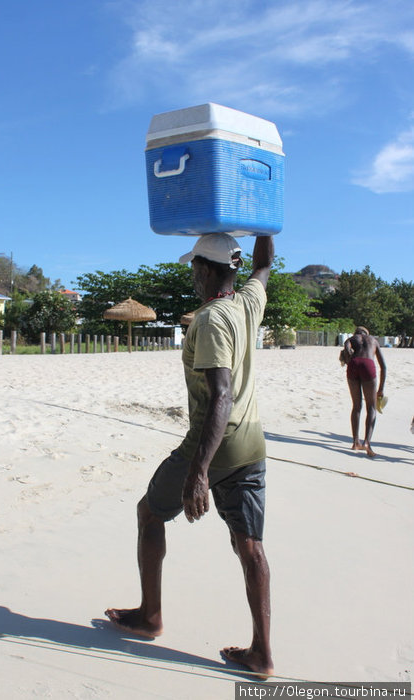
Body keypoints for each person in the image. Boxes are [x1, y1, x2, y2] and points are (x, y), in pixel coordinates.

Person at [105, 232, 275, 678]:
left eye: (194, 267)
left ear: (205, 268)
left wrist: (198, 471)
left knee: (149, 512)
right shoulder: (248, 302)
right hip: (252, 445)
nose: (192, 276)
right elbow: (263, 266)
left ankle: (150, 616)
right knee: (249, 545)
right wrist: (263, 224)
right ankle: (261, 652)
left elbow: (220, 396)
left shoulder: (211, 319)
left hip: (210, 445)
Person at [342, 326, 386, 457]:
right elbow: (383, 367)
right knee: (371, 407)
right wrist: (381, 389)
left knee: (356, 406)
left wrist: (348, 352)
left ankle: (355, 441)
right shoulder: (373, 340)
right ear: (367, 333)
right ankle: (367, 442)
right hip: (368, 365)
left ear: (356, 333)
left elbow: (346, 347)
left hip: (353, 365)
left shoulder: (351, 339)